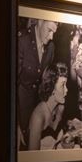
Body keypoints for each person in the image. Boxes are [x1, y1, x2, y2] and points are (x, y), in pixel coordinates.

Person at [17, 18, 57, 149]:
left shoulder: (50, 48)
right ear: (40, 21)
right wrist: (15, 123)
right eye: (49, 30)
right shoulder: (22, 41)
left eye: (54, 32)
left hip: (37, 110)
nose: (51, 37)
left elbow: (45, 82)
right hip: (20, 110)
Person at [27, 63, 68, 151]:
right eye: (63, 85)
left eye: (66, 85)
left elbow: (56, 139)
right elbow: (32, 157)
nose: (66, 90)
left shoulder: (60, 108)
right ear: (51, 87)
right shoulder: (38, 117)